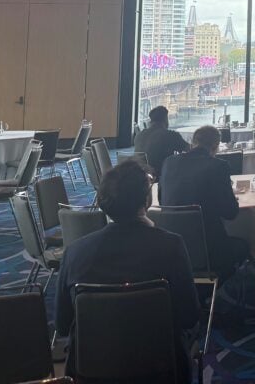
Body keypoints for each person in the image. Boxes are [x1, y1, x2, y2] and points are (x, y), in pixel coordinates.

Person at [56, 160, 199, 380]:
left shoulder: (75, 252)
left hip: (92, 371)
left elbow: (63, 324)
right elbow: (189, 316)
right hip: (162, 369)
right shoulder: (171, 246)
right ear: (146, 199)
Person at [159, 125, 248, 279]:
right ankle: (230, 295)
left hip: (171, 247)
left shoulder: (168, 163)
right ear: (216, 146)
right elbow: (231, 213)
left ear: (193, 142)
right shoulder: (218, 166)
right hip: (208, 251)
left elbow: (162, 201)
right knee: (245, 246)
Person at [134, 105, 189, 178]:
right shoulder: (171, 135)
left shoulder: (139, 135)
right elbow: (189, 150)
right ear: (165, 119)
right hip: (162, 173)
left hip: (141, 172)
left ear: (151, 120)